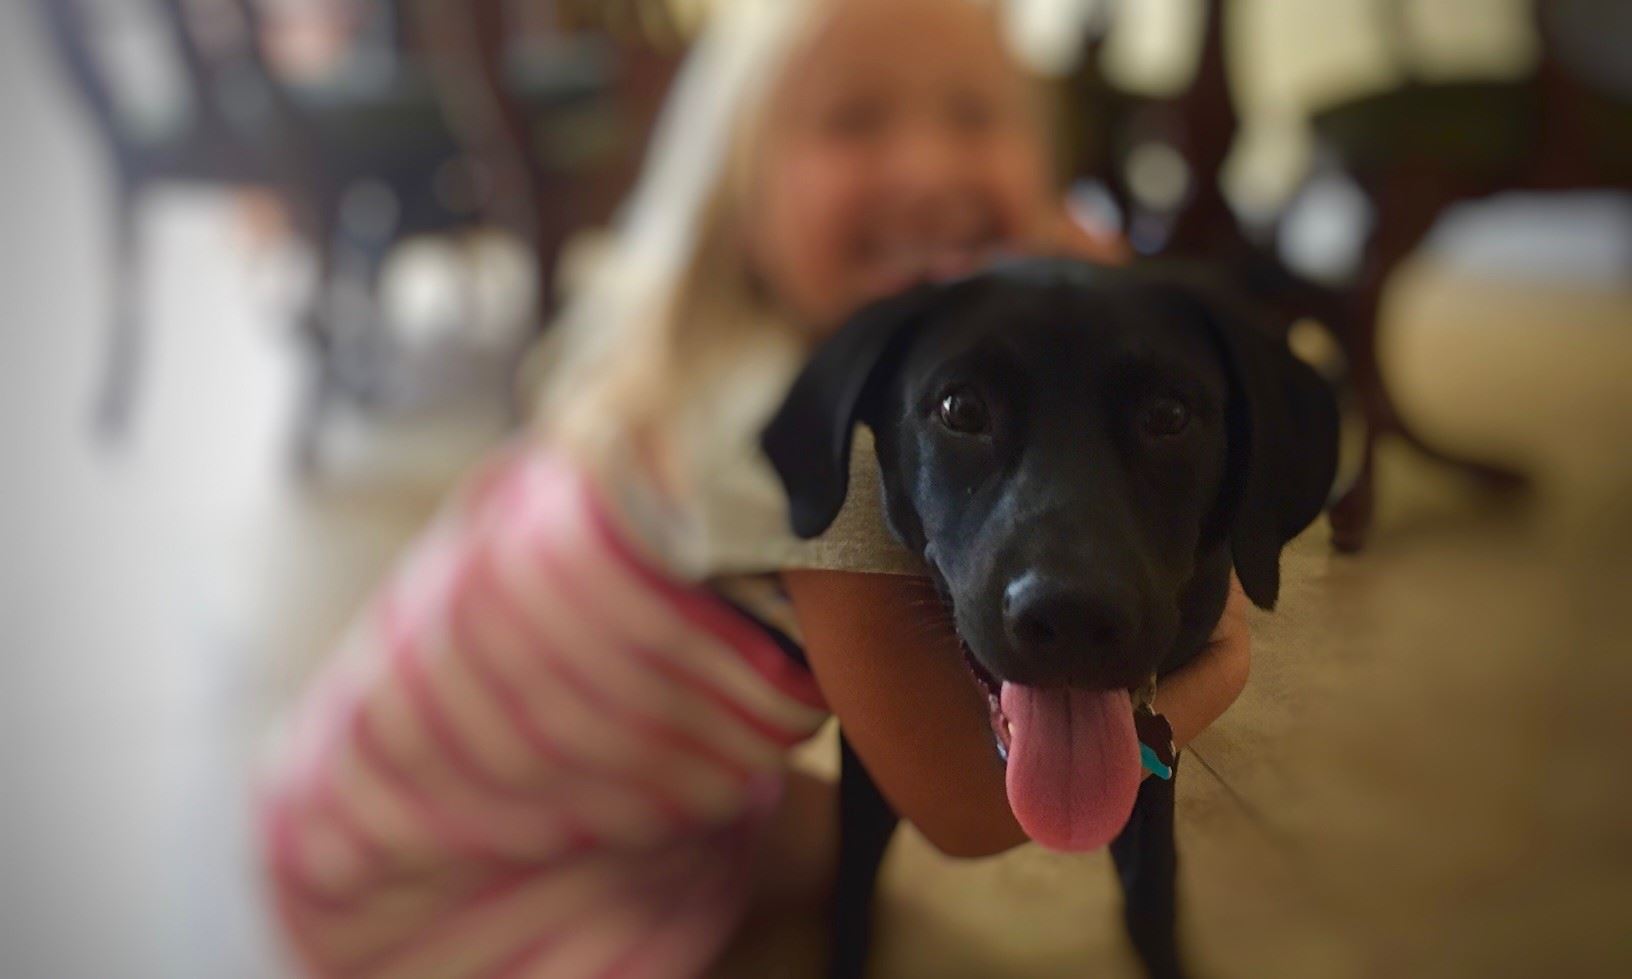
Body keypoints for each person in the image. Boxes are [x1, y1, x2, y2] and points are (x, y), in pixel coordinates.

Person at [258, 1, 1251, 976]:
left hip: (379, 793)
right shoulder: (799, 456)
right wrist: (1206, 685)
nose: (926, 167)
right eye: (854, 121)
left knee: (810, 838)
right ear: (746, 182)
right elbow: (966, 813)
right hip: (429, 889)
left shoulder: (707, 327)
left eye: (973, 115)